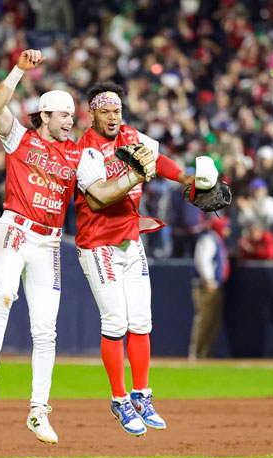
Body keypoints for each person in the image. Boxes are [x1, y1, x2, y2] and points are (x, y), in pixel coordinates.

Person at [0, 51, 154, 445]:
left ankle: (39, 411)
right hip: (16, 229)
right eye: (63, 116)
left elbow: (100, 194)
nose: (70, 122)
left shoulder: (78, 154)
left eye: (72, 116)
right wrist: (20, 70)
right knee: (4, 293)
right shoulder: (19, 138)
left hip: (49, 243)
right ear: (43, 117)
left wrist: (134, 176)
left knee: (46, 330)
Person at [74, 82, 209, 437]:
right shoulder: (84, 151)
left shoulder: (130, 135)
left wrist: (185, 178)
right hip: (98, 243)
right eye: (106, 112)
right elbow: (100, 199)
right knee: (116, 320)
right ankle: (119, 399)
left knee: (142, 321)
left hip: (130, 238)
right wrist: (136, 172)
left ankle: (141, 395)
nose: (114, 117)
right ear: (92, 115)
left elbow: (156, 157)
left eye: (117, 111)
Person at [189, 215, 230, 360]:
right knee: (204, 319)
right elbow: (202, 261)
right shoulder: (208, 239)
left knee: (213, 320)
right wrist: (210, 280)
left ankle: (205, 352)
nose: (227, 230)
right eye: (225, 227)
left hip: (215, 285)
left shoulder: (217, 240)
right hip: (206, 286)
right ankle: (196, 352)